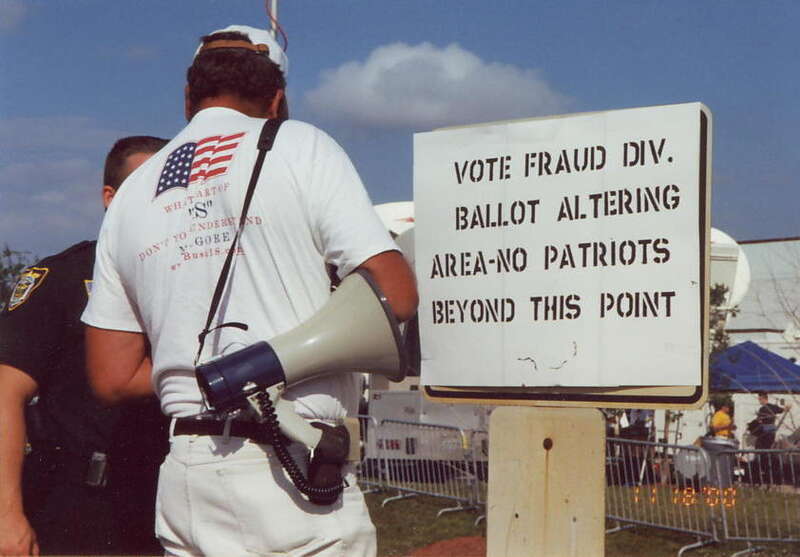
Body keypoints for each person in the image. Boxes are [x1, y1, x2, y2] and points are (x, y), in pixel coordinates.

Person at [82, 26, 418, 557]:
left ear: (189, 97)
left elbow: (112, 374)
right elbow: (394, 293)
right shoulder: (301, 144)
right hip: (290, 470)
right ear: (277, 99)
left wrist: (206, 376)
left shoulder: (131, 195)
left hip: (186, 476)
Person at [0, 136, 169, 556]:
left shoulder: (195, 287)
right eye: (143, 189)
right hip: (80, 507)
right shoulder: (62, 278)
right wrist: (6, 516)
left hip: (173, 502)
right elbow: (5, 394)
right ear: (109, 198)